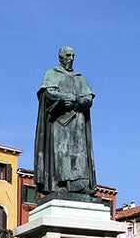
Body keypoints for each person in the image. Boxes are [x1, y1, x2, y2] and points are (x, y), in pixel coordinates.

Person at [34, 46, 97, 197]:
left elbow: (89, 98)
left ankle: (80, 185)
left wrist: (77, 101)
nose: (71, 58)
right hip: (59, 122)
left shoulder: (80, 78)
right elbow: (48, 93)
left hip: (78, 122)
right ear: (60, 57)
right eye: (68, 55)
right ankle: (59, 183)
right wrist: (64, 98)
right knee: (61, 153)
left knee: (80, 153)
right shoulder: (52, 74)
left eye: (73, 55)